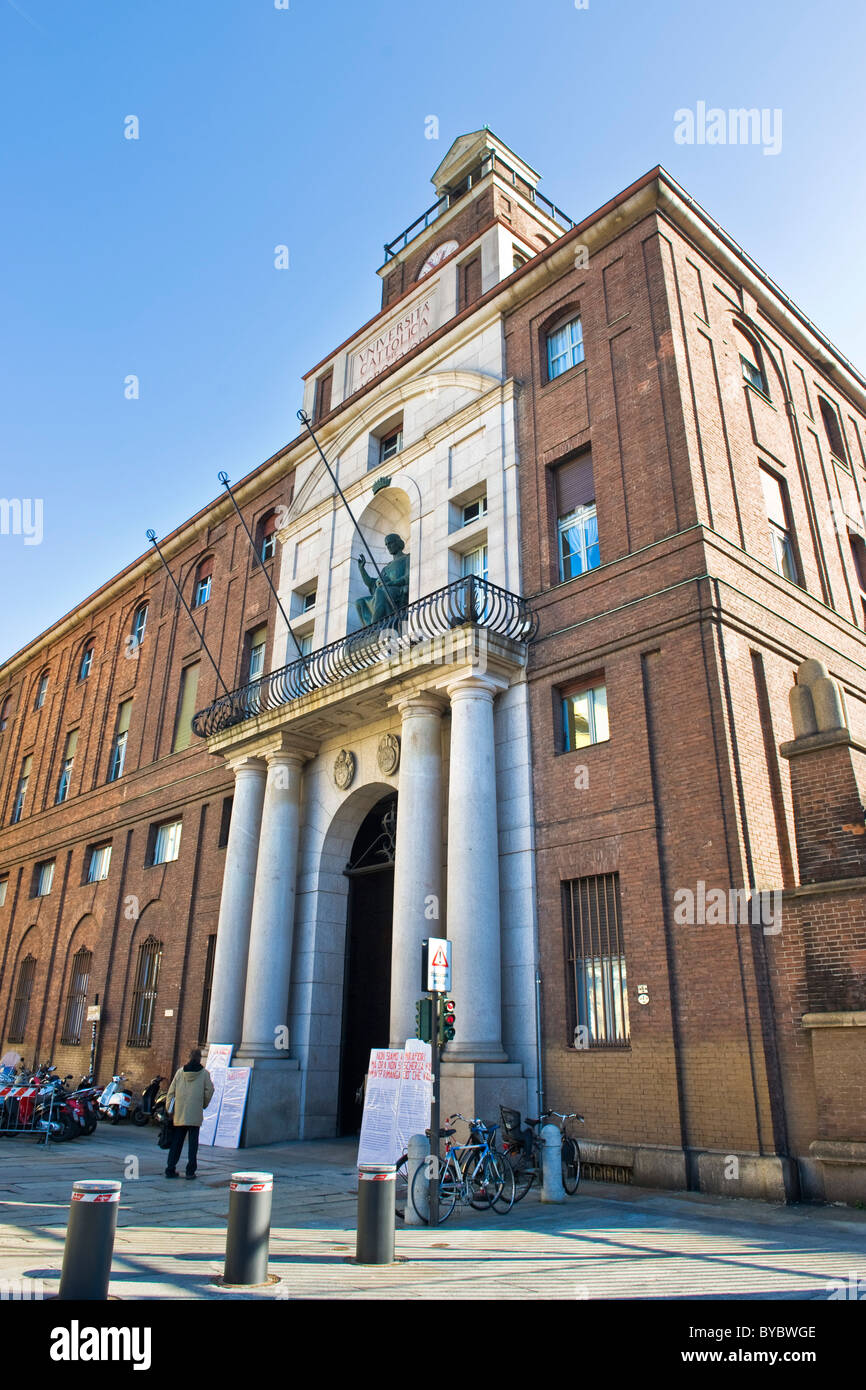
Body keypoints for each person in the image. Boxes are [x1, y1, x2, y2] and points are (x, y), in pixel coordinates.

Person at [164, 1048, 214, 1180]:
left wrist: (169, 1109)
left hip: (180, 1112)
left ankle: (170, 1168)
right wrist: (203, 1104)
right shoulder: (204, 1074)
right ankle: (190, 1171)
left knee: (177, 1142)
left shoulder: (180, 1072)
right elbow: (209, 1090)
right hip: (194, 1113)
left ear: (189, 1057)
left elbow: (171, 1092)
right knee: (193, 1144)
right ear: (199, 1058)